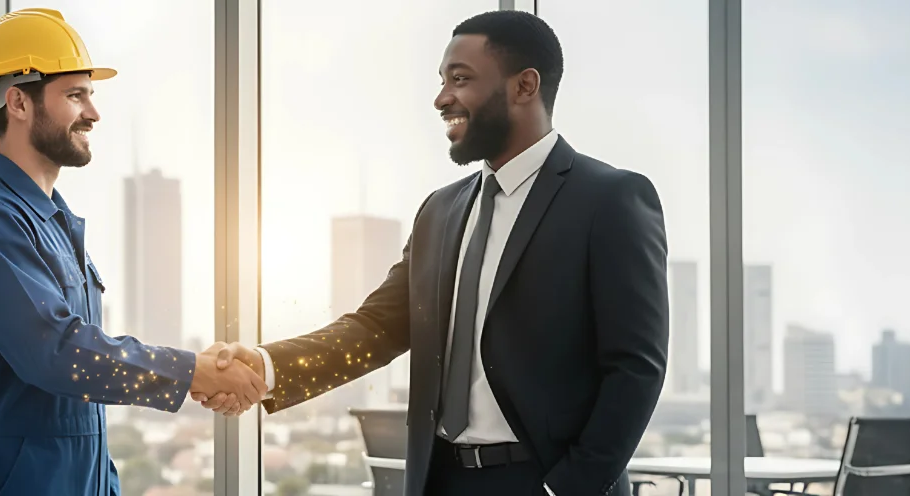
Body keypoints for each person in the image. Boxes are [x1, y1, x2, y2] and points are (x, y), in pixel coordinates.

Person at [199, 10, 668, 496]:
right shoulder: (440, 211)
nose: (442, 98)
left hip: (544, 482)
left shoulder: (609, 200)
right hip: (439, 480)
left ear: (524, 86)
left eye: (460, 80)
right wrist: (264, 365)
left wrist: (567, 488)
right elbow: (376, 329)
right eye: (442, 81)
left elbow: (636, 367)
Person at [0, 8, 268, 496]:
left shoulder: (50, 220)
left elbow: (79, 370)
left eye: (90, 94)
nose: (93, 112)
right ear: (19, 102)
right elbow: (56, 352)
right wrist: (192, 371)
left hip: (78, 474)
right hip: (12, 479)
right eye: (74, 94)